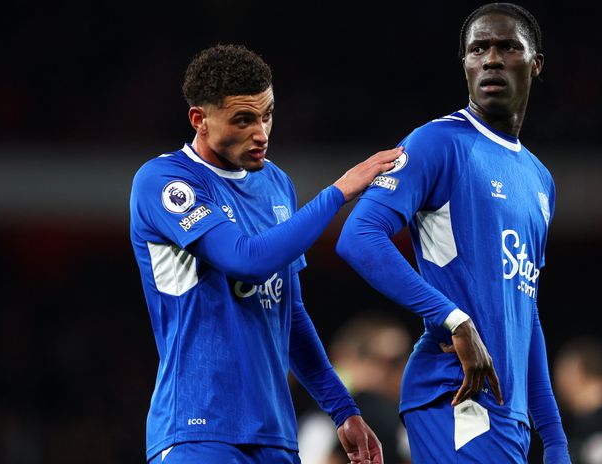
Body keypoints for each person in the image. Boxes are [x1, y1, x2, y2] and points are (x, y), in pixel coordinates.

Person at [129, 44, 401, 464]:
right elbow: (246, 260)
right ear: (199, 119)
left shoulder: (277, 185)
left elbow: (289, 313)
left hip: (276, 437)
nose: (261, 133)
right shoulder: (165, 181)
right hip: (198, 433)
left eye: (267, 114)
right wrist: (339, 192)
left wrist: (343, 410)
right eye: (243, 119)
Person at [336, 3, 570, 463]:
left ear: (535, 63)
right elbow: (359, 236)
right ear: (464, 63)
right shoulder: (437, 142)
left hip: (509, 414)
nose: (491, 59)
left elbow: (526, 313)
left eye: (507, 48)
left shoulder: (540, 180)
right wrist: (453, 318)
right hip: (456, 394)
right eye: (478, 49)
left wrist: (556, 440)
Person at [297, 314, 413, 464]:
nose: (394, 373)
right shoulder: (323, 417)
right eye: (383, 362)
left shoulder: (403, 421)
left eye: (399, 362)